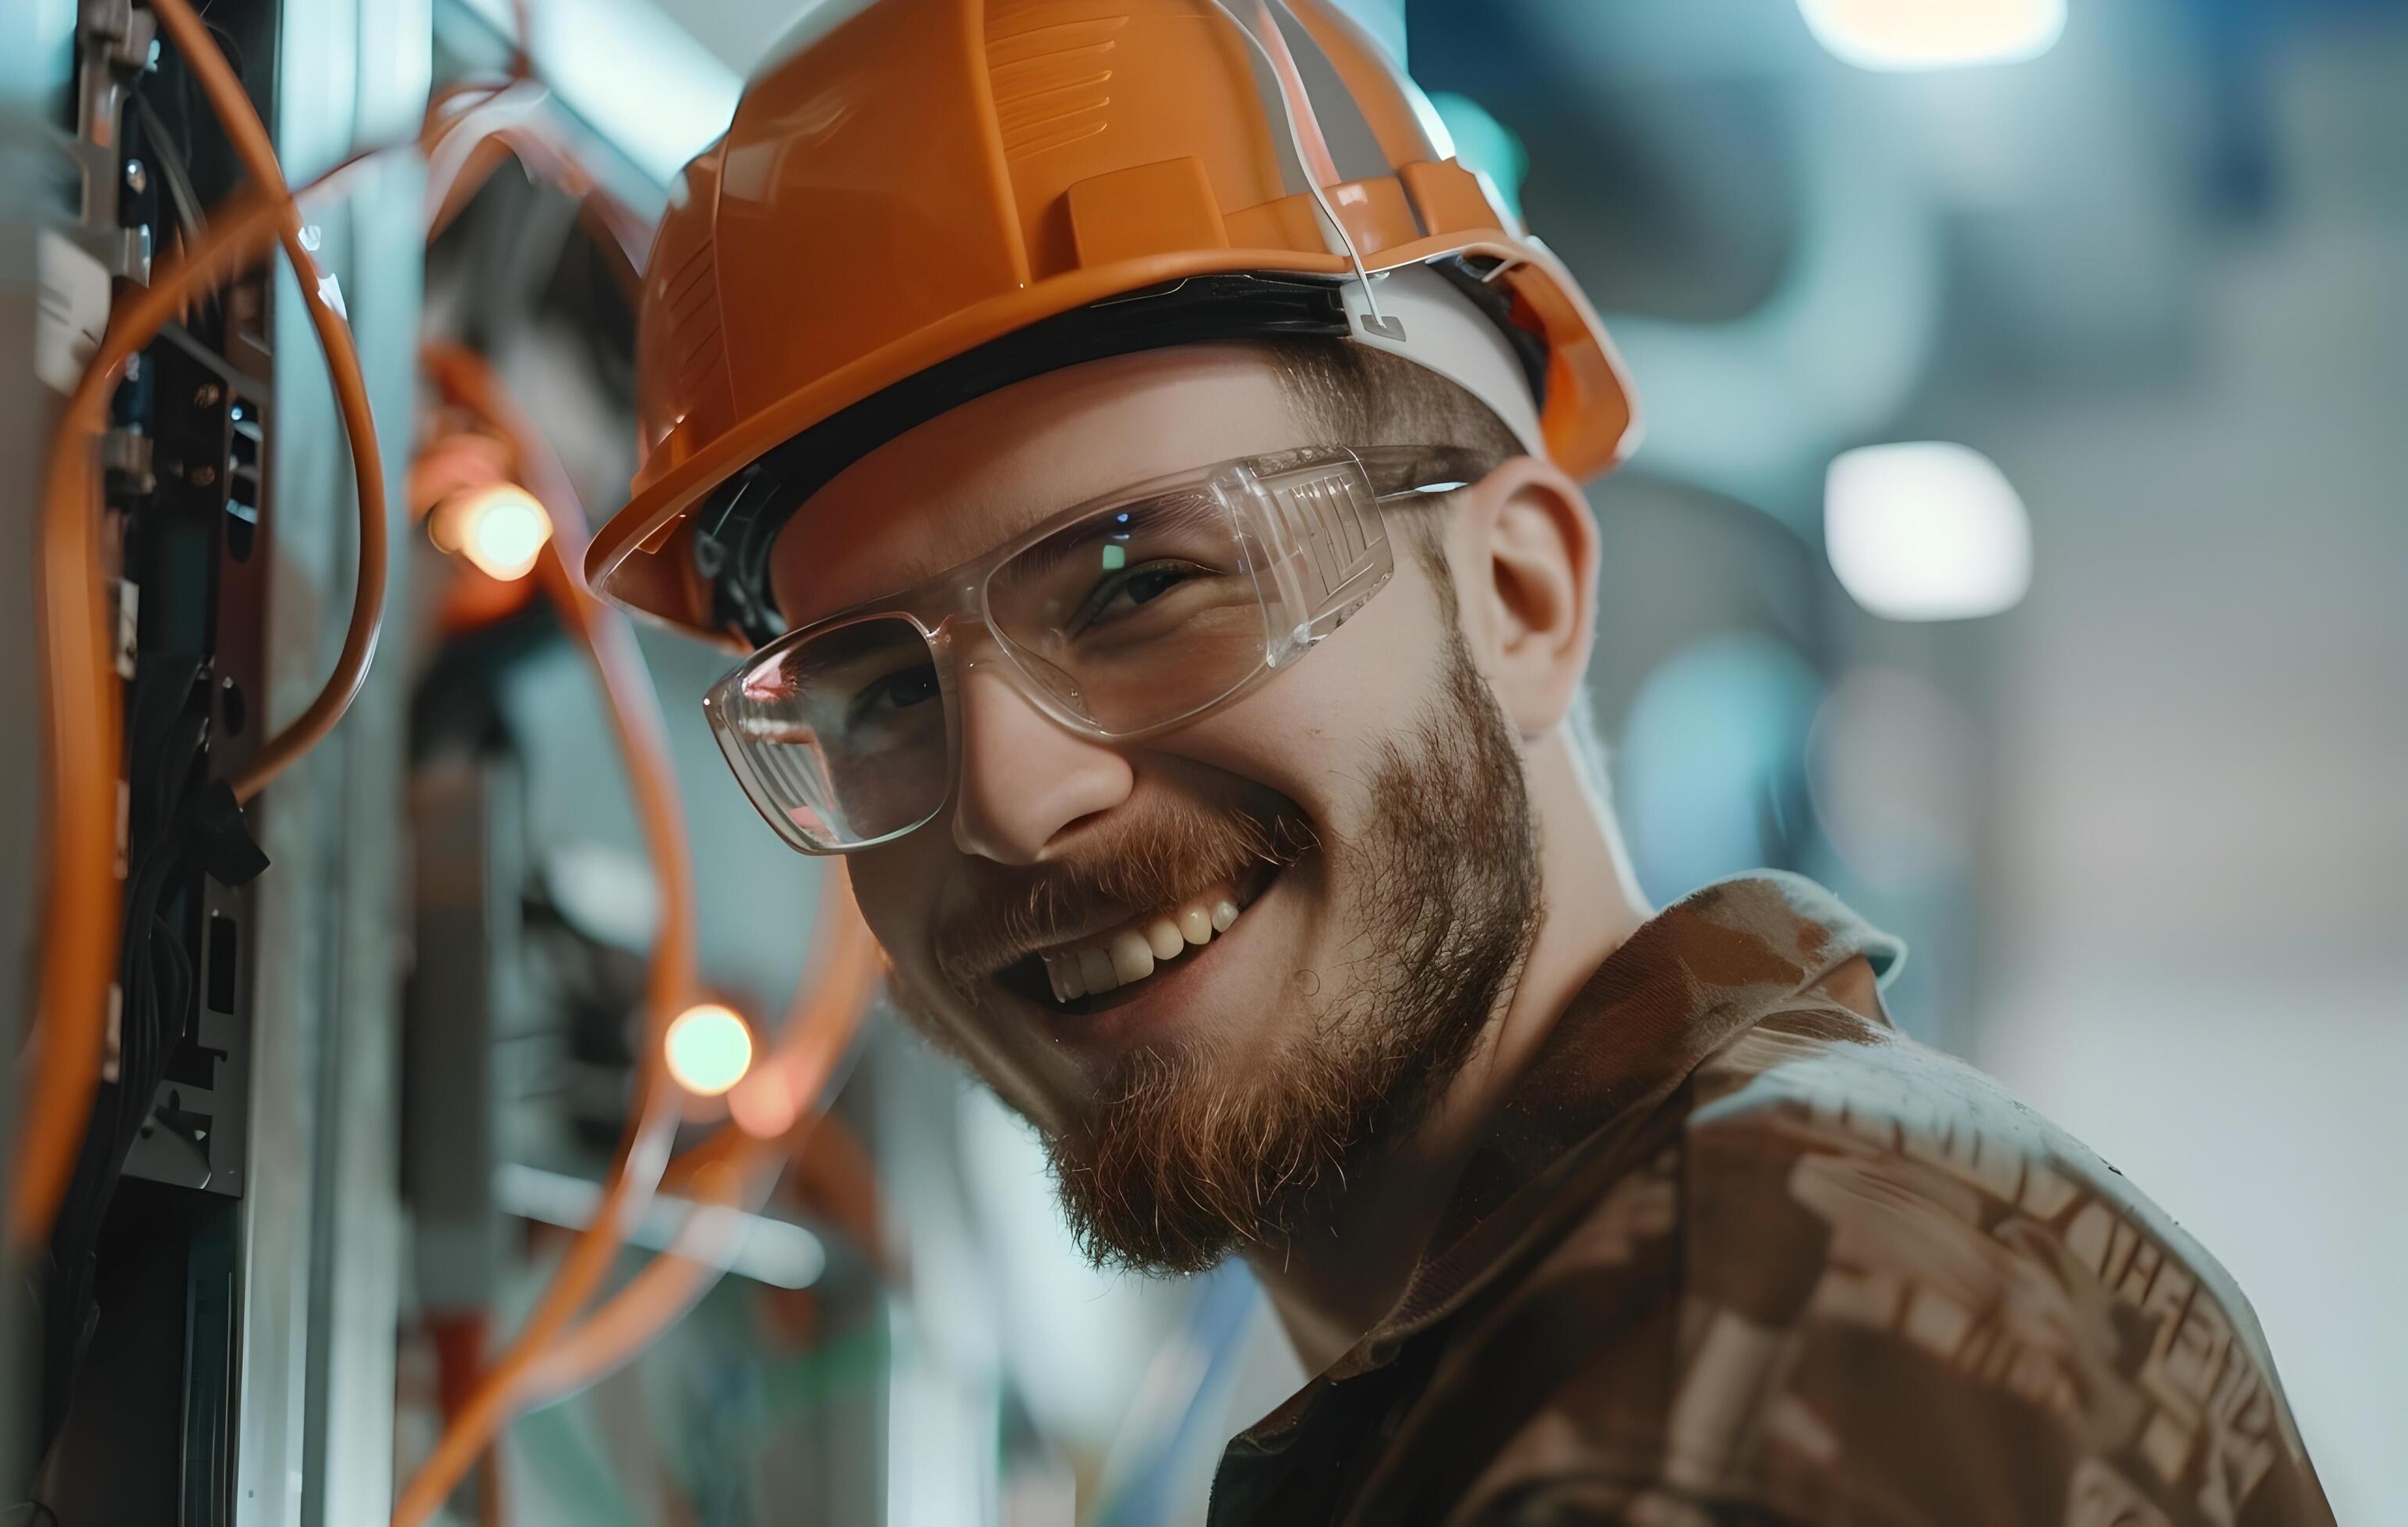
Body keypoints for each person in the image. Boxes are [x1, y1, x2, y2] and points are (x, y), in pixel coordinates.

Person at [582, 0, 2339, 1519]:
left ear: (1517, 595)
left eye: (1143, 584)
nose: (1016, 796)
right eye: (878, 692)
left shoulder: (1730, 1352)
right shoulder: (1619, 1310)